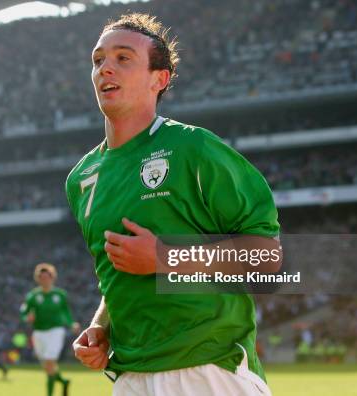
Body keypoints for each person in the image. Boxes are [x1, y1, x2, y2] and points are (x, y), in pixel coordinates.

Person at [65, 13, 282, 396]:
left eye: (123, 58)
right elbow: (118, 274)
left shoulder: (194, 149)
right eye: (98, 60)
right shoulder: (81, 179)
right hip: (130, 376)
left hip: (209, 369)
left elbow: (267, 258)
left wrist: (166, 257)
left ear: (158, 79)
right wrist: (102, 325)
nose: (105, 69)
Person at [20, 263, 81, 396]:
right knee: (48, 367)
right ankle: (64, 382)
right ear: (38, 279)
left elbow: (66, 313)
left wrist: (71, 324)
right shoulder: (33, 296)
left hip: (55, 331)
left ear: (52, 278)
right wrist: (27, 317)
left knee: (49, 363)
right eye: (41, 277)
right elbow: (24, 312)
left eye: (47, 277)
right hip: (38, 333)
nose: (44, 280)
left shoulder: (60, 295)